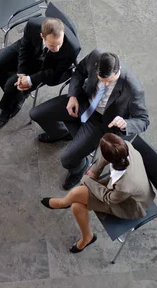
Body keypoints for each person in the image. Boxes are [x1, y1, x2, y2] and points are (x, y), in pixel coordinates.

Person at [30, 50, 149, 190]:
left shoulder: (133, 88)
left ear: (119, 70)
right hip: (82, 102)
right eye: (101, 79)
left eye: (109, 81)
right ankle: (60, 133)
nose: (104, 84)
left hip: (100, 123)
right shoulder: (94, 57)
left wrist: (126, 123)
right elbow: (79, 72)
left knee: (66, 160)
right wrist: (73, 96)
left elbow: (143, 120)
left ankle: (79, 168)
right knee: (36, 113)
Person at [40, 133, 155, 253]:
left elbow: (109, 198)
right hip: (121, 189)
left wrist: (88, 180)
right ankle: (87, 236)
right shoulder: (124, 146)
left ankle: (63, 203)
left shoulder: (125, 186)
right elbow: (104, 158)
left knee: (77, 196)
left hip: (129, 204)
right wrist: (95, 172)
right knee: (77, 206)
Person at [0, 17, 81, 130]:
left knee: (11, 86)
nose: (57, 49)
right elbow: (24, 47)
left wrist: (29, 80)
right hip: (31, 52)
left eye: (59, 44)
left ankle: (7, 109)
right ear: (42, 36)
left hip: (49, 67)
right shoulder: (32, 25)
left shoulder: (72, 49)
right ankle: (18, 96)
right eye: (52, 45)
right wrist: (21, 73)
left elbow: (54, 72)